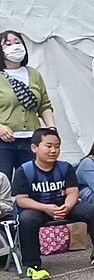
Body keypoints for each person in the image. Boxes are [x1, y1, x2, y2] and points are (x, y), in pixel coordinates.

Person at [12, 128, 94, 280]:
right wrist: (46, 208)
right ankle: (32, 265)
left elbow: (73, 192)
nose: (54, 150)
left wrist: (67, 206)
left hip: (62, 205)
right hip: (37, 208)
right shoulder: (24, 171)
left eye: (57, 146)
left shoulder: (65, 167)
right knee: (27, 220)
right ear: (34, 148)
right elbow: (21, 200)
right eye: (49, 146)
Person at [0, 31, 56, 180]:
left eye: (17, 42)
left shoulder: (34, 75)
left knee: (29, 182)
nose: (14, 46)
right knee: (2, 183)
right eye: (8, 43)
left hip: (31, 140)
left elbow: (44, 105)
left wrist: (51, 128)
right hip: (3, 141)